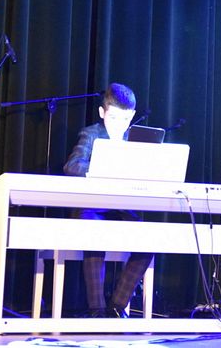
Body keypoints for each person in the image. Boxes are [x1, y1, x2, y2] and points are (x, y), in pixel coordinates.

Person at [63, 82, 154, 318]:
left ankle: (116, 307)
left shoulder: (136, 139)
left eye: (124, 119)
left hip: (124, 208)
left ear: (132, 116)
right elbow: (72, 165)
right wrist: (101, 169)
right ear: (102, 112)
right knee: (94, 236)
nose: (119, 124)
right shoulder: (91, 134)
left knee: (149, 244)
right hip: (94, 207)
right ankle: (97, 310)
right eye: (113, 118)